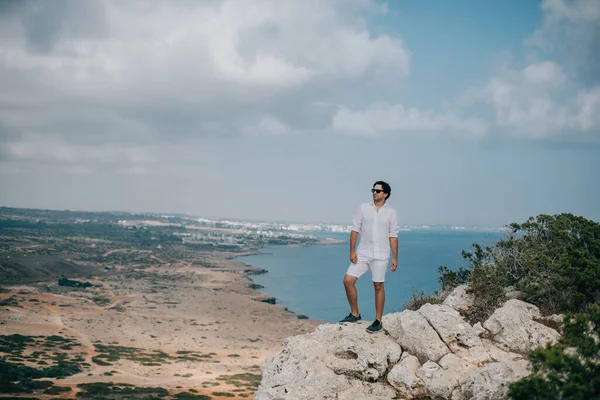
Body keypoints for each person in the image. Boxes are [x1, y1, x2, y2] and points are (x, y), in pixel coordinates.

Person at [340, 181, 399, 333]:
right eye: (373, 190)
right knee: (348, 281)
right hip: (363, 253)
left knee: (378, 286)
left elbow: (393, 236)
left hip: (381, 255)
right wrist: (352, 251)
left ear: (385, 194)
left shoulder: (391, 213)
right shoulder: (363, 208)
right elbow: (355, 230)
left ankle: (378, 320)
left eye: (378, 191)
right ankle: (355, 314)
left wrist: (395, 257)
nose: (374, 193)